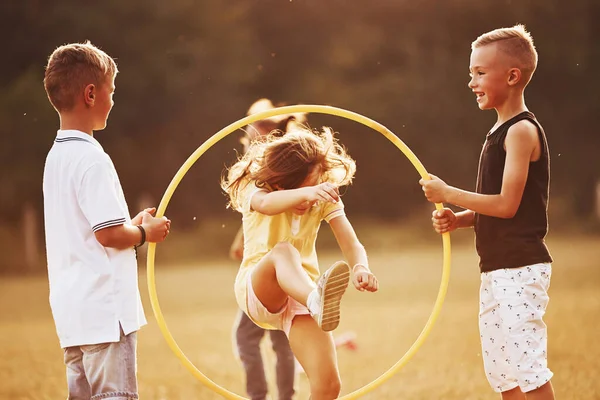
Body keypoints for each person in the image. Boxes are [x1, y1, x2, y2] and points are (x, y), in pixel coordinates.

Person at [419, 25, 554, 400]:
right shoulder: (497, 131)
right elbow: (498, 204)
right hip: (495, 269)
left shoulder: (521, 132)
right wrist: (460, 218)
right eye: (471, 74)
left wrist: (450, 193)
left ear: (512, 76)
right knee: (503, 373)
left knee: (528, 370)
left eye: (479, 73)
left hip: (521, 267)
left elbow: (507, 206)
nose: (471, 82)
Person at [42, 41, 171, 399]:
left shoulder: (57, 156)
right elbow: (110, 236)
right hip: (105, 314)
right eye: (111, 91)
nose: (113, 100)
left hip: (73, 315)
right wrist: (145, 232)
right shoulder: (92, 158)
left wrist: (130, 223)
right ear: (91, 93)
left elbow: (94, 230)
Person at [222, 125, 379, 400]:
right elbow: (267, 204)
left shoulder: (322, 198)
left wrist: (360, 267)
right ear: (280, 181)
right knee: (284, 251)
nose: (309, 196)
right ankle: (316, 299)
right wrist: (308, 193)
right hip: (258, 289)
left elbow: (351, 243)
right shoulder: (255, 188)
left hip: (301, 299)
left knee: (328, 386)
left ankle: (314, 300)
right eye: (301, 188)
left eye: (315, 184)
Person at [230, 98, 307, 400]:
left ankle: (259, 395)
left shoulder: (267, 166)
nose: (250, 130)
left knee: (248, 337)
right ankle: (284, 396)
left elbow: (263, 204)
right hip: (286, 265)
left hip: (266, 264)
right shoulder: (289, 165)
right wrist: (240, 240)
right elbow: (259, 208)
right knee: (280, 340)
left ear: (266, 130)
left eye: (256, 124)